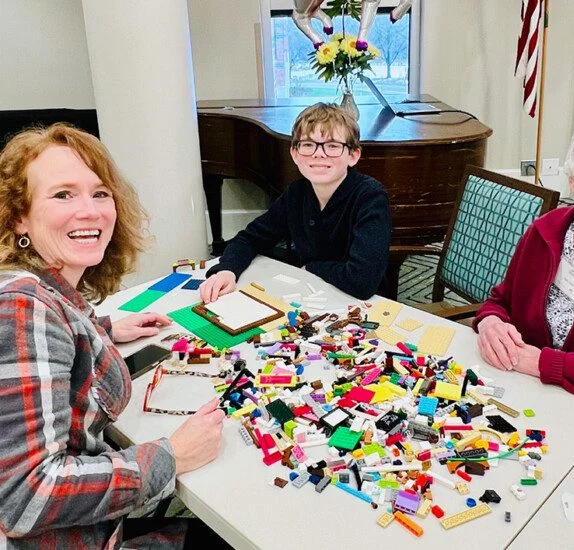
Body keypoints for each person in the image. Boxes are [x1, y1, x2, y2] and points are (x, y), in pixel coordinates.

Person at [0, 124, 227, 548]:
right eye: (62, 194)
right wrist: (171, 456)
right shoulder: (22, 306)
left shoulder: (41, 292)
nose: (90, 211)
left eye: (100, 193)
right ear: (19, 216)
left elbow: (47, 350)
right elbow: (24, 497)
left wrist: (100, 331)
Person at [475, 101, 574, 409]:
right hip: (520, 396)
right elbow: (500, 301)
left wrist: (546, 364)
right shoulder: (546, 231)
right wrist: (490, 322)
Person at [199, 102, 391, 302]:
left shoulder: (370, 197)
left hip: (365, 304)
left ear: (353, 155)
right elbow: (250, 238)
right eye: (308, 144)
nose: (319, 153)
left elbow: (362, 281)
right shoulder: (297, 193)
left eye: (333, 145)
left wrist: (313, 267)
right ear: (295, 154)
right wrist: (227, 269)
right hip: (314, 291)